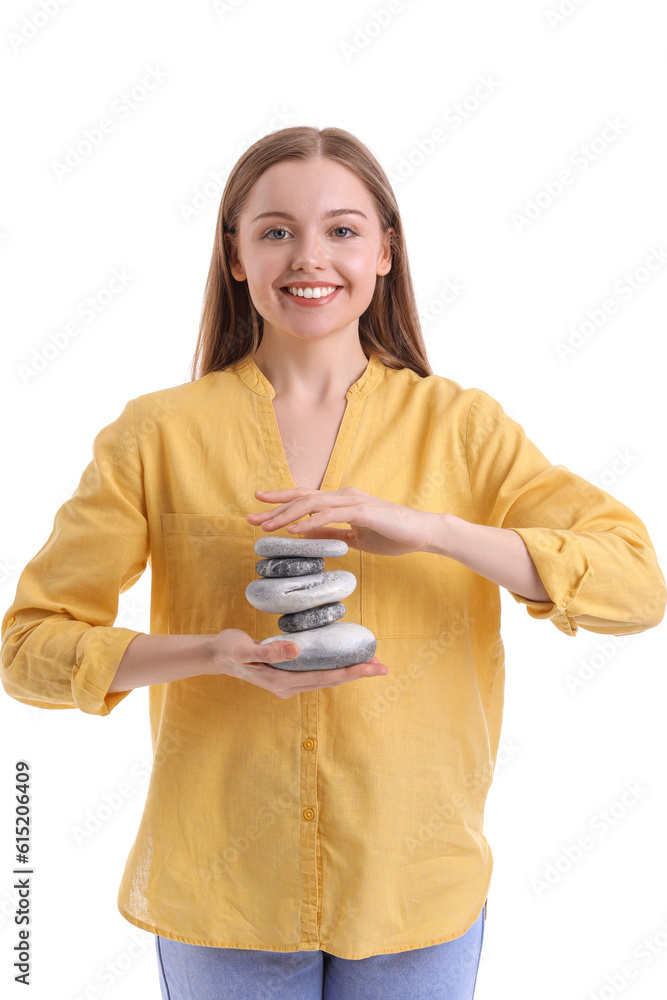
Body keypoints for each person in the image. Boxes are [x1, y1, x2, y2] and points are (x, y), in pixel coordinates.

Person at [1, 125, 664, 1000]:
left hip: (414, 886)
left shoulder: (461, 429)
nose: (309, 257)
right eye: (274, 230)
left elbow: (634, 585)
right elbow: (29, 647)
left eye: (343, 230)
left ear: (386, 251)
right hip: (223, 893)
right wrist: (212, 654)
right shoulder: (156, 434)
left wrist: (431, 529)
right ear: (235, 256)